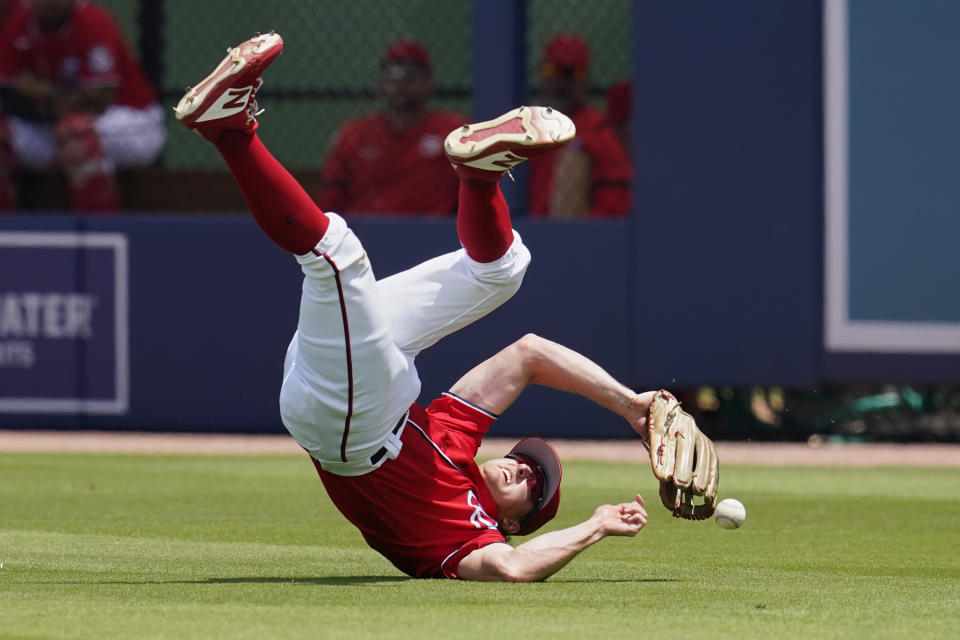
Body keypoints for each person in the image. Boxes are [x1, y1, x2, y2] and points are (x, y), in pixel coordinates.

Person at [175, 33, 667, 582]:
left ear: (515, 522)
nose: (522, 472)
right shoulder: (454, 445)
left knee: (335, 253)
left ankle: (229, 131)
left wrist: (595, 525)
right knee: (503, 269)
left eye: (533, 488)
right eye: (529, 464)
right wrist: (633, 408)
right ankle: (479, 178)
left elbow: (511, 568)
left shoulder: (470, 531)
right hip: (369, 387)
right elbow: (528, 355)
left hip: (350, 429)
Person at [0, 0, 165, 211]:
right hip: (52, 126)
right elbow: (9, 88)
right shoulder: (19, 23)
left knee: (76, 134)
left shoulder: (93, 21)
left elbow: (100, 100)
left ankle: (98, 234)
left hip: (130, 121)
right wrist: (42, 97)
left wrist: (41, 92)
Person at [315, 39, 467, 216]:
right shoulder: (354, 134)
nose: (401, 82)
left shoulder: (453, 131)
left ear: (429, 81)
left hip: (437, 235)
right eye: (392, 73)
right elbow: (330, 199)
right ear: (382, 80)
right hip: (366, 235)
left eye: (412, 73)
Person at [529, 34, 630, 218]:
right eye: (552, 71)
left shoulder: (598, 128)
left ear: (587, 79)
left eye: (573, 74)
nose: (560, 83)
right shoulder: (527, 125)